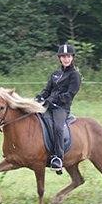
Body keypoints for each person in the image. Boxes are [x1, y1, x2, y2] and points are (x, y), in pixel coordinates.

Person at [35, 44, 81, 172]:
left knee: (58, 127)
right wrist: (39, 97)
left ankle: (58, 158)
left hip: (61, 108)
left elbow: (69, 95)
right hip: (48, 105)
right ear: (59, 58)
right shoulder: (55, 74)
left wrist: (52, 100)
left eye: (68, 56)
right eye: (63, 56)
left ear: (72, 58)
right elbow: (47, 90)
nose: (66, 59)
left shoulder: (74, 75)